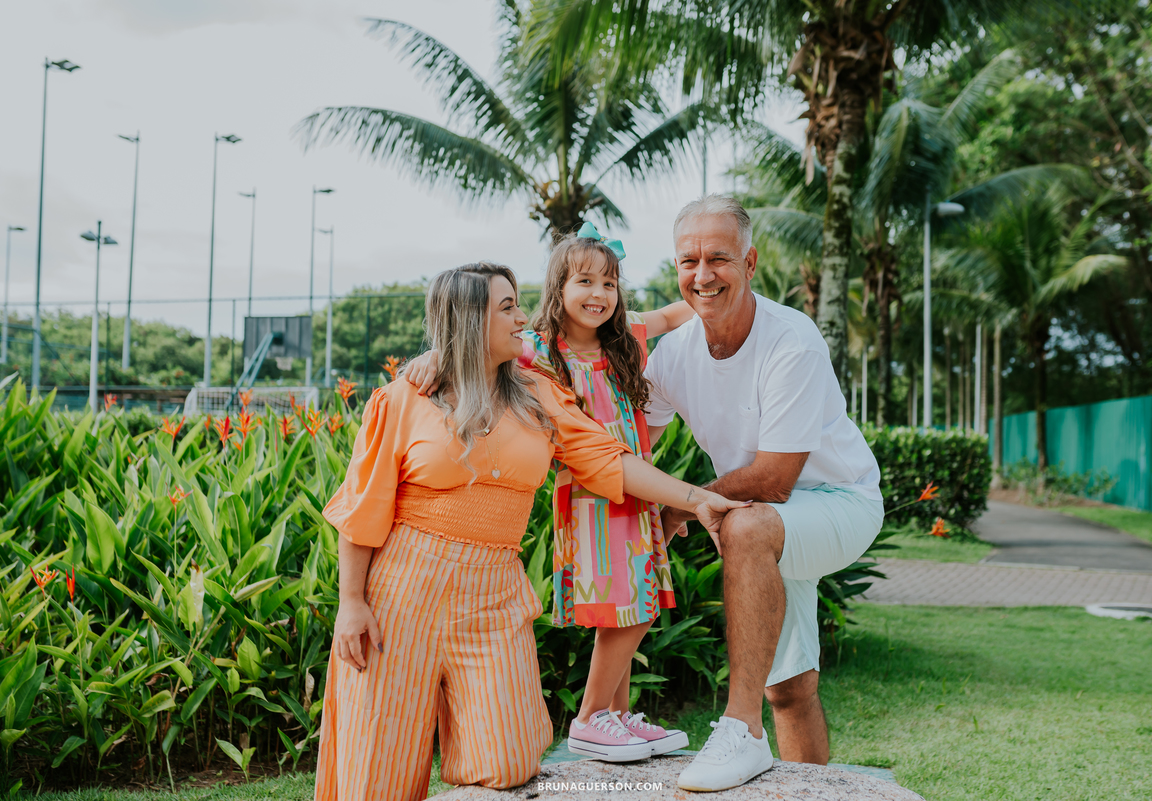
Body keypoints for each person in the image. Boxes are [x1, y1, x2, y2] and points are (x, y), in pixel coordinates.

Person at [318, 262, 745, 801]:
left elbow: (608, 459)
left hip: (494, 592)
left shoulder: (536, 394)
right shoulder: (404, 399)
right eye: (507, 308)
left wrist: (697, 498)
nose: (523, 316)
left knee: (509, 758)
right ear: (469, 319)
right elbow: (365, 507)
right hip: (401, 592)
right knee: (376, 772)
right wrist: (351, 602)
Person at [404, 224, 696, 762]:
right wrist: (435, 358)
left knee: (633, 602)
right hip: (592, 499)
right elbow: (474, 349)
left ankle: (614, 714)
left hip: (637, 492)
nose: (598, 295)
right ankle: (588, 719)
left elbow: (678, 312)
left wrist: (715, 291)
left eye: (609, 284)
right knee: (631, 608)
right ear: (557, 287)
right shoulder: (537, 349)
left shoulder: (625, 339)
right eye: (584, 281)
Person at [644, 196, 884, 792]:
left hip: (839, 501)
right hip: (771, 519)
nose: (704, 275)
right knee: (790, 687)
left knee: (744, 525)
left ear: (750, 263)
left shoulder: (791, 340)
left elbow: (775, 477)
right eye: (690, 261)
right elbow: (636, 450)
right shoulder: (672, 355)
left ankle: (739, 729)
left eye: (719, 259)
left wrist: (683, 504)